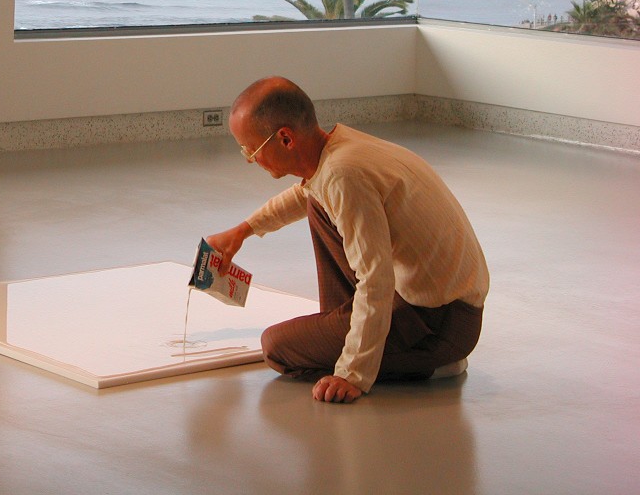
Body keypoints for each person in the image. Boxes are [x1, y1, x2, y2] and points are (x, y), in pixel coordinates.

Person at [207, 77, 489, 404]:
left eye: (250, 149)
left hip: (438, 325)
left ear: (285, 139)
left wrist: (352, 373)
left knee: (277, 348)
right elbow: (306, 194)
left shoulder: (344, 175)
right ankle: (357, 331)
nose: (250, 159)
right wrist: (242, 231)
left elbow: (376, 279)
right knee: (317, 204)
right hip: (440, 304)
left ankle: (430, 362)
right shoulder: (341, 149)